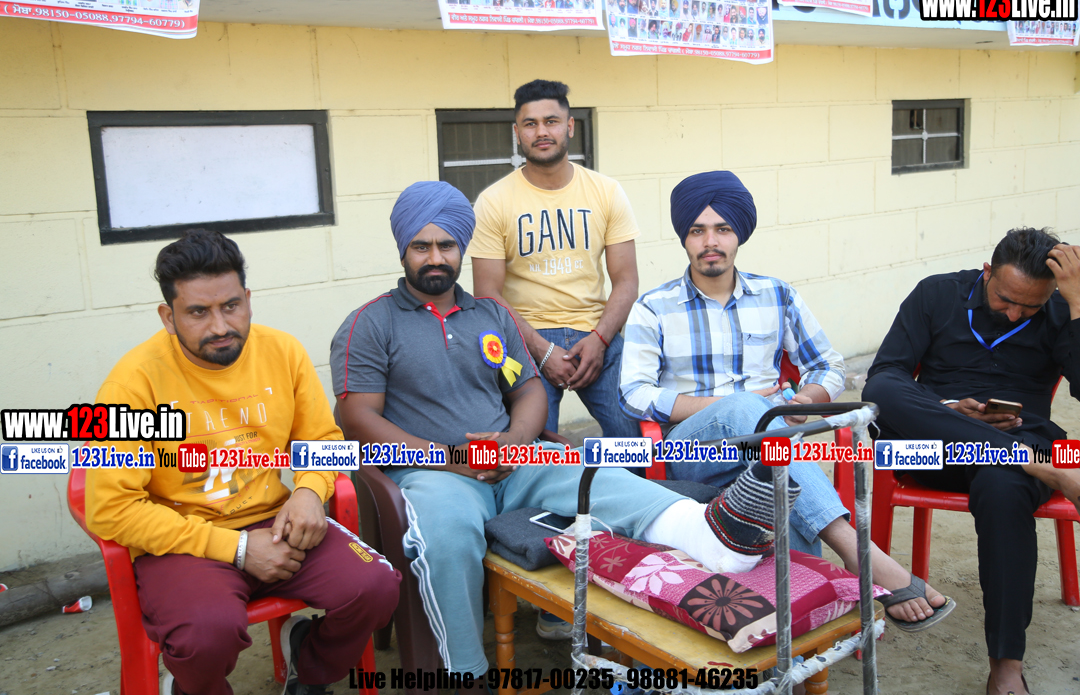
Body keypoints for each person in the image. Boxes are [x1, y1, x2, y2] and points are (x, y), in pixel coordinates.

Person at [332, 180, 803, 680]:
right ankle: (466, 673)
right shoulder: (372, 322)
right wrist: (449, 458)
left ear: (461, 248)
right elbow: (357, 416)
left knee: (599, 477)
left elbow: (529, 390)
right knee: (446, 535)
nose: (435, 258)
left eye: (446, 245)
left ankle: (709, 535)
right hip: (433, 473)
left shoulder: (490, 314)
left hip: (513, 462)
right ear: (402, 249)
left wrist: (515, 443)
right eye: (421, 246)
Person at [620, 170, 956, 633]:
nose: (710, 241)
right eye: (697, 230)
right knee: (745, 409)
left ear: (739, 234)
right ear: (684, 238)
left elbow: (829, 366)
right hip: (693, 450)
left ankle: (798, 635)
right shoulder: (653, 306)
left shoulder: (776, 295)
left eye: (722, 228)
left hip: (775, 447)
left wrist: (805, 399)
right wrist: (728, 405)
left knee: (784, 492)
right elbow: (635, 393)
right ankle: (858, 550)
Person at [84, 230, 401, 695]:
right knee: (206, 636)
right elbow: (111, 509)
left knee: (376, 587)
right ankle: (192, 686)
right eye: (198, 312)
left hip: (275, 523)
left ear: (248, 300)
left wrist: (309, 491)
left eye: (231, 306)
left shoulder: (282, 352)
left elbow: (322, 441)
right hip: (182, 541)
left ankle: (308, 665)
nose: (220, 326)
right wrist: (236, 548)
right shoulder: (132, 384)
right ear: (168, 317)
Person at [862, 227, 1080, 695]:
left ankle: (1005, 666)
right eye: (1006, 299)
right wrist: (944, 409)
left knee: (1003, 488)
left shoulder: (1063, 308)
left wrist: (1078, 304)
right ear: (987, 272)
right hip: (933, 448)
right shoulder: (936, 294)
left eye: (1030, 306)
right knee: (882, 389)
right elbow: (885, 374)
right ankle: (1032, 464)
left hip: (1019, 448)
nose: (1015, 313)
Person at [471, 80, 641, 442]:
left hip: (597, 333)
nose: (541, 132)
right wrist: (541, 350)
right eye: (530, 124)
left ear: (570, 126)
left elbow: (626, 281)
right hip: (525, 340)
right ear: (517, 133)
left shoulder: (607, 191)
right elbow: (487, 293)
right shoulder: (493, 201)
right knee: (532, 453)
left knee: (635, 441)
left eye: (551, 121)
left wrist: (600, 339)